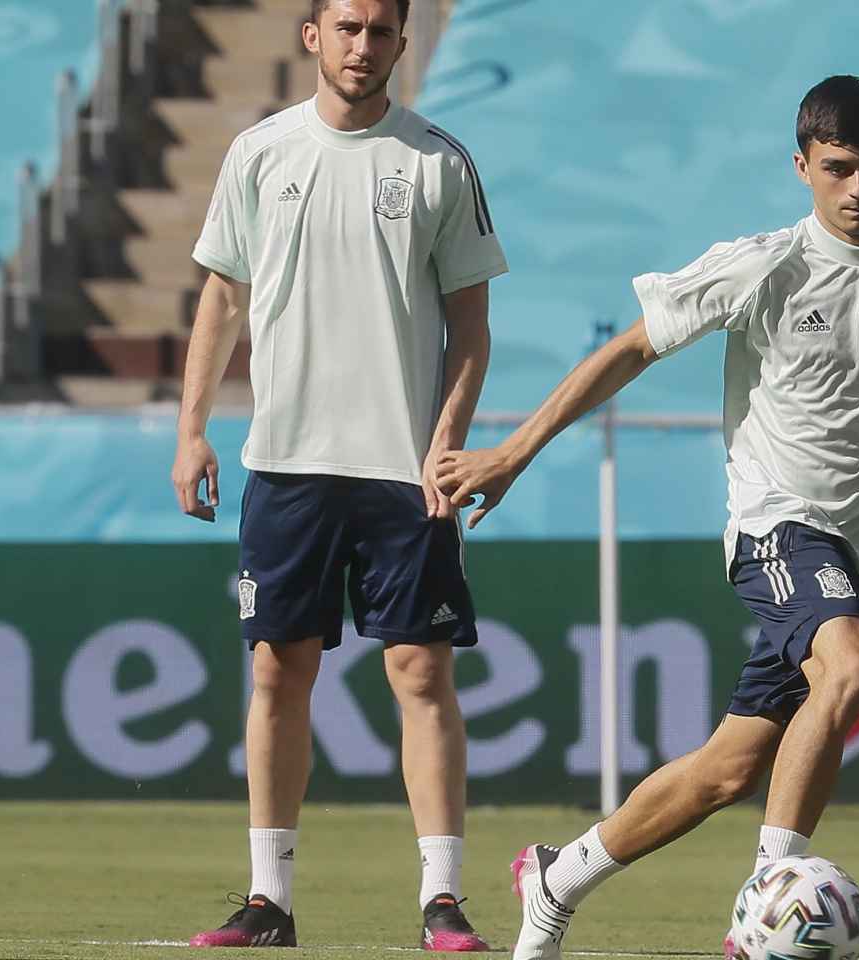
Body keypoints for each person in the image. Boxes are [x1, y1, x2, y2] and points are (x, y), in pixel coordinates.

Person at [433, 76, 859, 960]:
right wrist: (514, 451)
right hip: (780, 522)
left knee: (731, 768)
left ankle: (556, 881)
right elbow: (632, 347)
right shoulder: (767, 264)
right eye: (838, 170)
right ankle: (768, 905)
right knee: (852, 669)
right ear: (802, 167)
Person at [168, 0, 506, 949]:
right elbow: (223, 297)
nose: (364, 47)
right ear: (313, 35)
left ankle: (442, 897)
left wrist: (447, 443)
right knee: (279, 671)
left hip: (405, 471)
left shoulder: (439, 161)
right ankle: (268, 898)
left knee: (421, 671)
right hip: (287, 465)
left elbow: (470, 327)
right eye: (346, 28)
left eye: (381, 31)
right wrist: (191, 430)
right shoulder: (260, 153)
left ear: (403, 41)